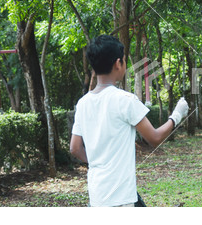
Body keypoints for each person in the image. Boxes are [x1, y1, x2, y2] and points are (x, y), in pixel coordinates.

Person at [70, 35, 189, 207]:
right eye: (125, 60)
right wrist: (177, 115)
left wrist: (100, 162)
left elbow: (75, 148)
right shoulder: (125, 100)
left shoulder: (83, 103)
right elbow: (154, 138)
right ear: (118, 63)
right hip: (120, 198)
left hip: (97, 195)